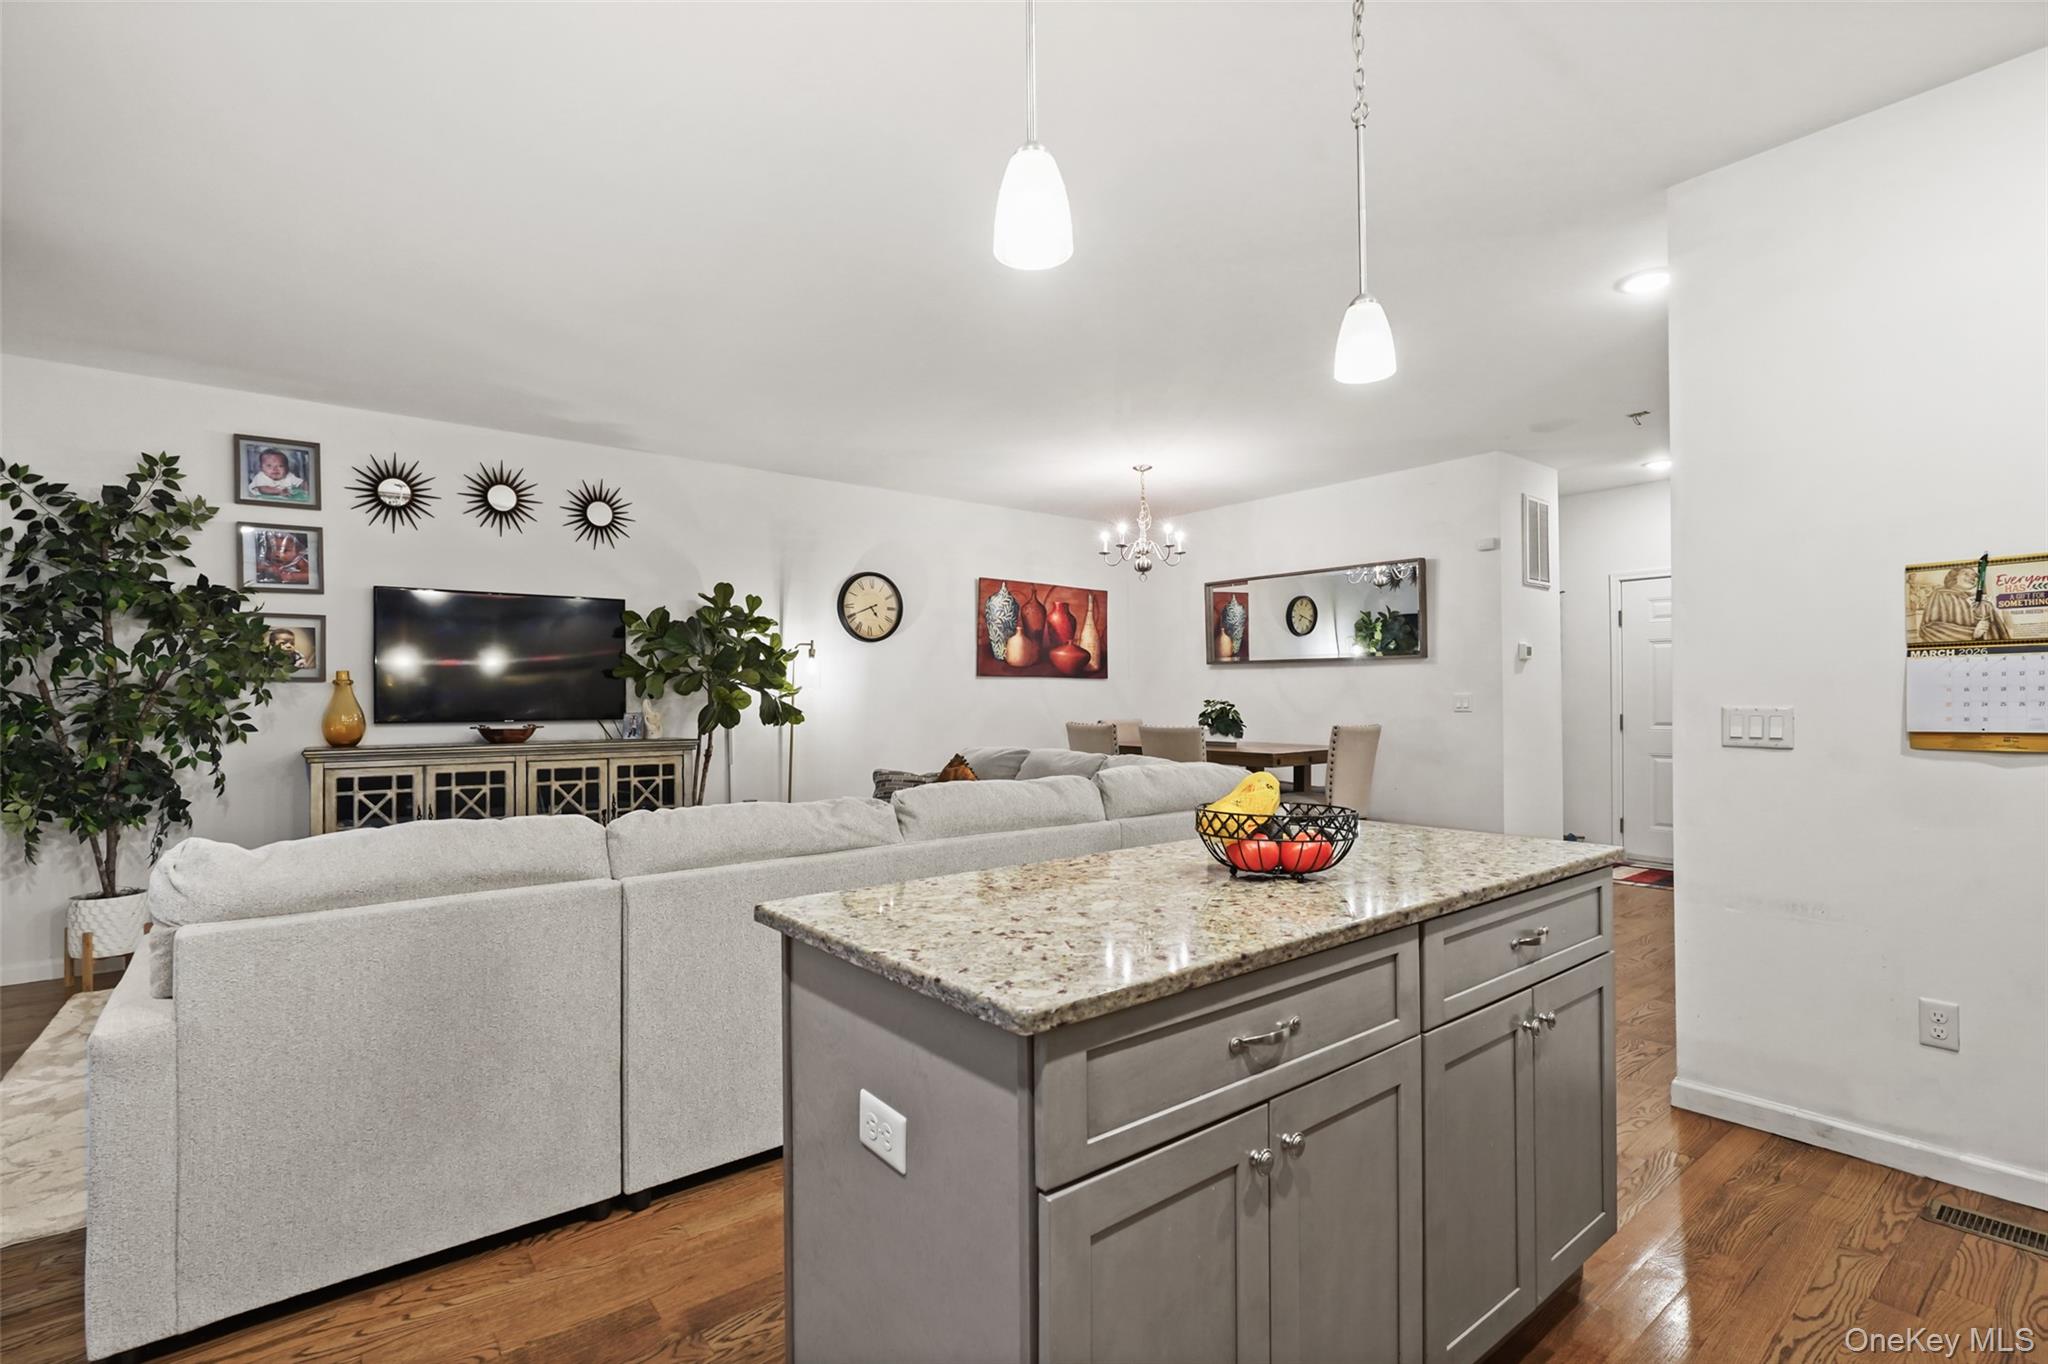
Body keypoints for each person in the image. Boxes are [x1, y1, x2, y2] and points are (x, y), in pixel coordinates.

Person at [1915, 563, 2010, 644]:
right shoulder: (1941, 594)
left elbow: (2000, 634)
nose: (1972, 578)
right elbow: (1928, 629)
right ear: (1954, 577)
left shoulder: (1984, 604)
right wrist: (1971, 633)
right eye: (1966, 574)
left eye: (1975, 576)